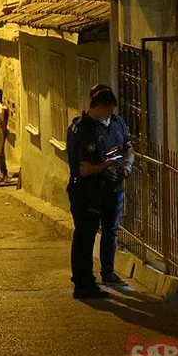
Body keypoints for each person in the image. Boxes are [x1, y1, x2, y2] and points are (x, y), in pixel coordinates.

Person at [66, 86, 134, 299]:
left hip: (108, 190)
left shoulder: (114, 123)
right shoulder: (84, 129)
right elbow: (85, 169)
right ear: (100, 106)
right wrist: (107, 165)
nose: (109, 114)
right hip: (87, 192)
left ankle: (102, 274)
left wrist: (122, 165)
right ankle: (83, 283)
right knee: (84, 237)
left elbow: (123, 148)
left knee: (107, 231)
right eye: (108, 110)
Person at [0, 88, 11, 183]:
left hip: (1, 131)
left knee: (0, 153)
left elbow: (2, 120)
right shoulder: (1, 106)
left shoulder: (1, 108)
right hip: (1, 131)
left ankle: (3, 173)